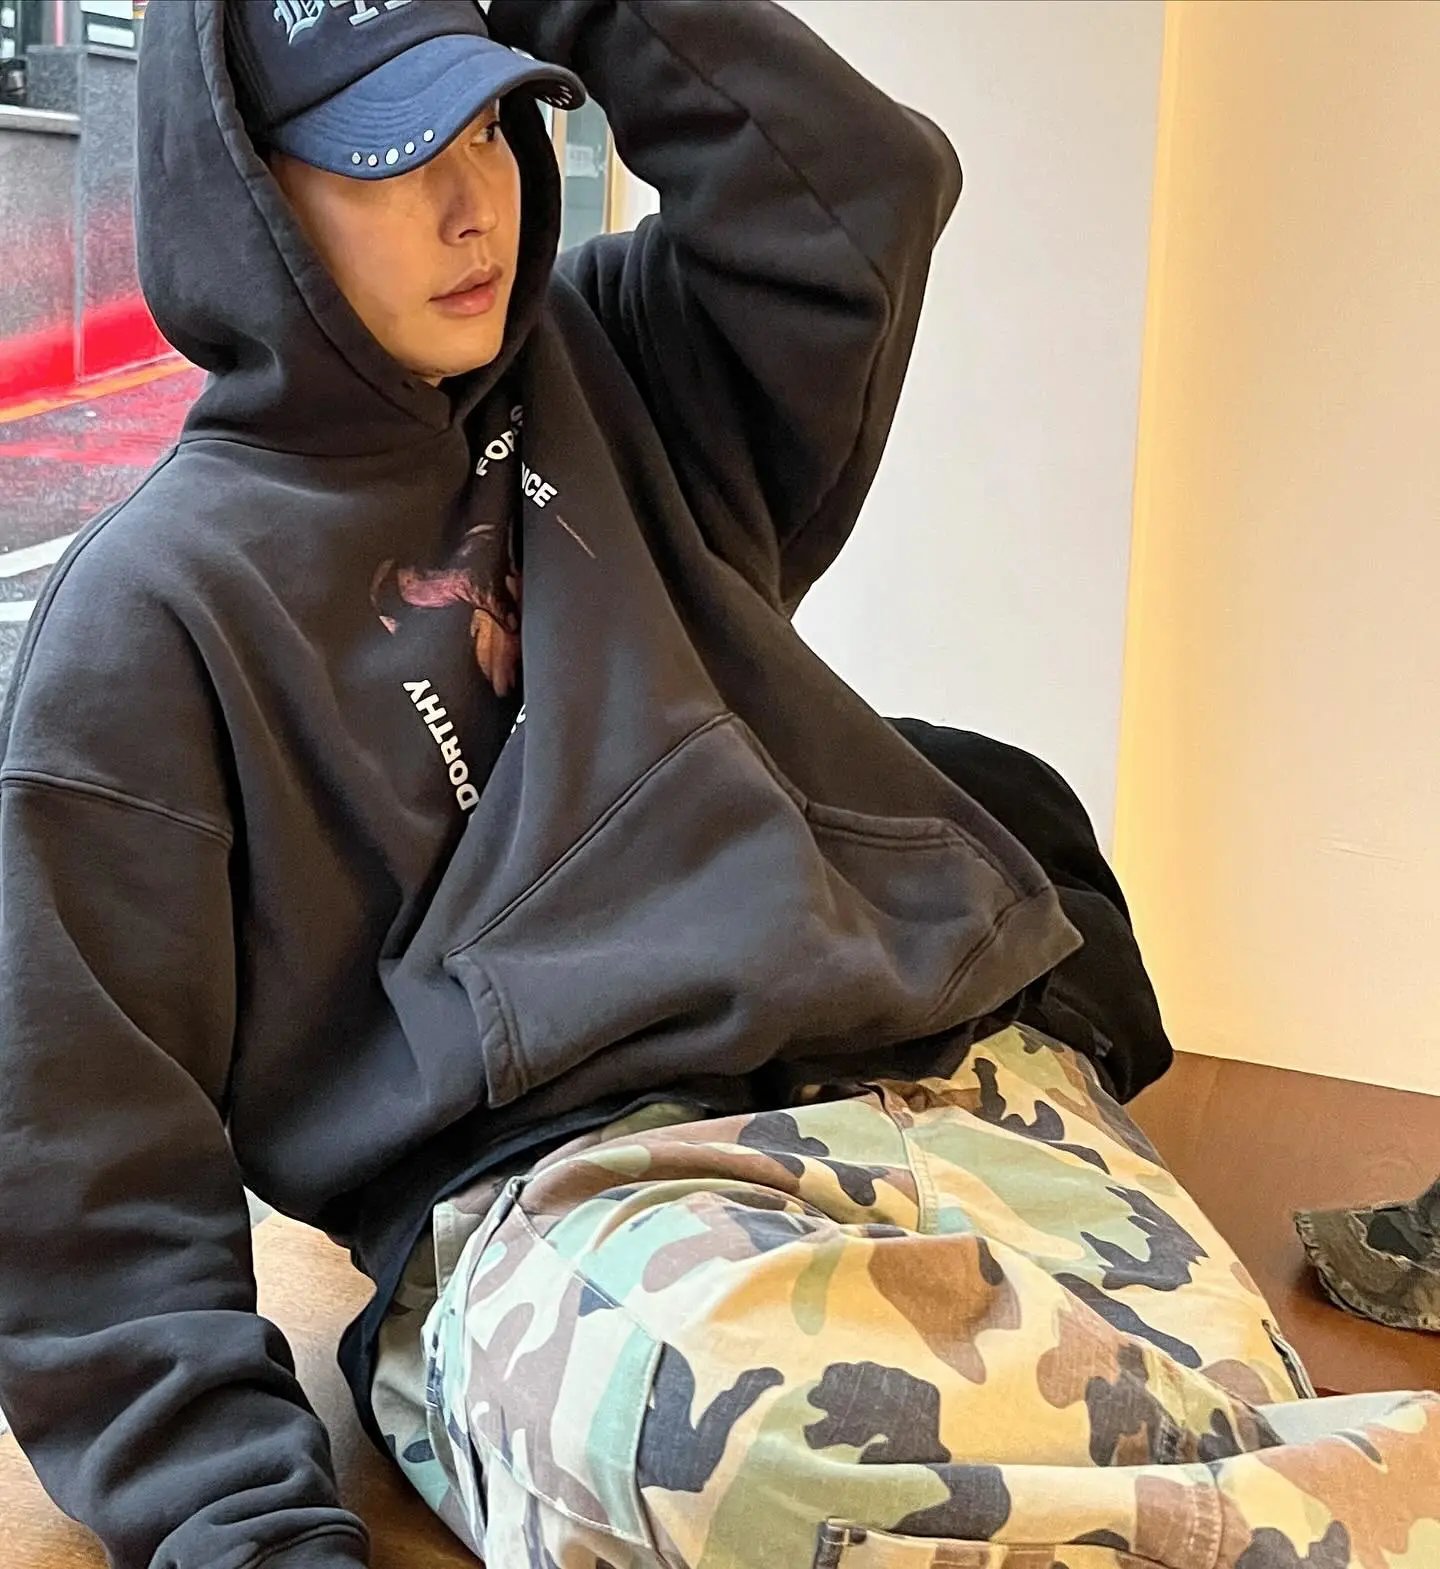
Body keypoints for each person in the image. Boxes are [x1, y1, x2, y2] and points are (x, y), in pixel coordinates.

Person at [0, 3, 1433, 1566]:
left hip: (957, 1073)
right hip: (567, 1187)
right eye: (389, 158)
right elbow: (96, 1202)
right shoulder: (147, 620)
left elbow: (856, 190)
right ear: (250, 196)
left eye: (486, 126)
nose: (473, 202)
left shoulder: (618, 364)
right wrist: (253, 1539)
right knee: (734, 1457)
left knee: (1217, 1417)